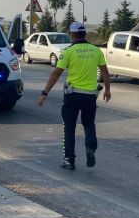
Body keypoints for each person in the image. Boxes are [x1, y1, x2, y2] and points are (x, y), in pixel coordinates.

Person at [38, 22, 111, 170]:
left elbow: (56, 73)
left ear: (72, 35)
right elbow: (105, 72)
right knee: (89, 124)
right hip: (90, 95)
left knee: (69, 127)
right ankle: (90, 147)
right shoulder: (96, 51)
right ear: (85, 34)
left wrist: (44, 93)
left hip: (72, 95)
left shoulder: (68, 51)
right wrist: (107, 90)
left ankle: (69, 159)